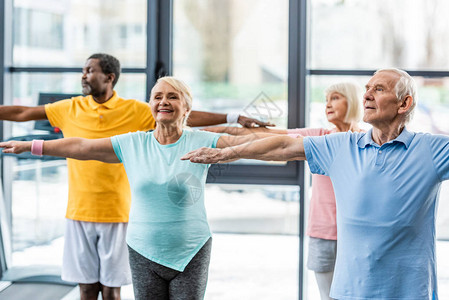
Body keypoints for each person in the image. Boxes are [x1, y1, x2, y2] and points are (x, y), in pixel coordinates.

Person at [0, 54, 271, 300]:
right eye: (158, 97)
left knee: (111, 289)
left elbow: (190, 119)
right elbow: (64, 137)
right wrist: (31, 145)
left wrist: (237, 120)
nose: (83, 75)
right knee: (85, 287)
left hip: (127, 216)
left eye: (90, 70)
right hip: (89, 215)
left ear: (110, 77)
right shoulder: (76, 111)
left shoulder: (140, 112)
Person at [182, 68, 449, 300]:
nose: (367, 94)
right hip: (350, 290)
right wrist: (224, 154)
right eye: (367, 88)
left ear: (404, 104)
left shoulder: (431, 150)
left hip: (410, 291)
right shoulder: (341, 145)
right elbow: (285, 144)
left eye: (378, 89)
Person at [204, 82, 362, 300]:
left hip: (357, 233)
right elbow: (265, 136)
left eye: (335, 98)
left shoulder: (367, 141)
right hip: (322, 232)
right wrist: (211, 131)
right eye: (326, 100)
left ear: (352, 101)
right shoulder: (319, 136)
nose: (328, 104)